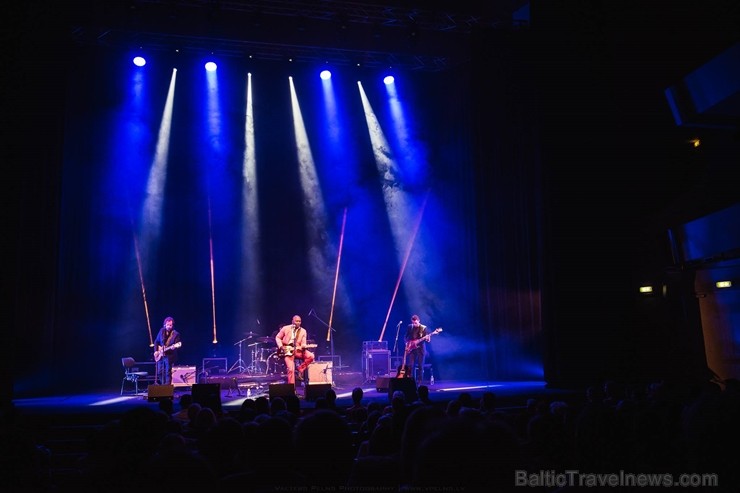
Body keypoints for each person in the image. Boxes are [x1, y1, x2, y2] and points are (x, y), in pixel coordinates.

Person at [275, 315, 315, 384]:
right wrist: (281, 346)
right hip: (287, 351)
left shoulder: (303, 331)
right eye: (297, 321)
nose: (298, 323)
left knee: (311, 356)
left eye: (299, 321)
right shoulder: (285, 328)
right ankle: (291, 388)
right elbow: (277, 337)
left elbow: (303, 343)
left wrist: (304, 346)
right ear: (292, 321)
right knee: (291, 369)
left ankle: (300, 368)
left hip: (298, 350)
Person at [154, 316, 182, 385]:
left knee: (167, 372)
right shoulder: (161, 331)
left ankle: (167, 388)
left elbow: (177, 344)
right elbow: (156, 341)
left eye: (170, 325)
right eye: (167, 325)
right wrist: (156, 351)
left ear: (172, 325)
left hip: (169, 355)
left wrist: (174, 347)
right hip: (160, 354)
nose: (169, 326)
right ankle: (164, 386)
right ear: (165, 325)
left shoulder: (176, 334)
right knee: (159, 372)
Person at [404, 314, 430, 385]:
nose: (414, 324)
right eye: (413, 323)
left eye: (415, 323)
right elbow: (405, 336)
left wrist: (427, 339)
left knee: (420, 366)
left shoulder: (423, 328)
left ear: (419, 321)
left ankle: (419, 382)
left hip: (420, 349)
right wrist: (407, 343)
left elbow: (427, 338)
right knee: (410, 366)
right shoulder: (410, 327)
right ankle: (411, 381)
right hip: (412, 349)